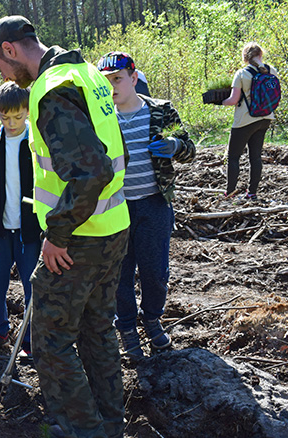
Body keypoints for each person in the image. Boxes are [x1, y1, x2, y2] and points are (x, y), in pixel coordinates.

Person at [0, 15, 130, 438]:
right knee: (98, 333)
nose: (3, 78)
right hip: (112, 228)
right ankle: (105, 437)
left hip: (77, 240)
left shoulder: (51, 89)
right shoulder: (84, 73)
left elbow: (91, 172)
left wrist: (56, 233)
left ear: (9, 50)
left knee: (51, 341)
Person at [97, 51, 196, 362]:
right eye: (106, 81)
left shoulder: (160, 112)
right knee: (120, 273)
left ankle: (152, 319)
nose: (113, 86)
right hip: (116, 208)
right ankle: (126, 326)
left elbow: (188, 148)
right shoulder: (101, 119)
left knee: (155, 271)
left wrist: (175, 146)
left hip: (154, 203)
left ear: (133, 78)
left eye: (118, 79)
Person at [0, 81, 41, 359]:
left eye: (18, 116)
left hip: (30, 230)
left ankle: (30, 340)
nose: (12, 123)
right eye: (5, 117)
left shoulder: (38, 140)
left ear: (27, 111)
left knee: (32, 286)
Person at [222, 42, 278, 199]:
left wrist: (221, 101)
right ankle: (252, 192)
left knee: (233, 157)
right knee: (255, 157)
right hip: (266, 118)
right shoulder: (271, 70)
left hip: (245, 120)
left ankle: (230, 192)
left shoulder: (241, 74)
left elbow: (233, 100)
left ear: (245, 57)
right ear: (261, 55)